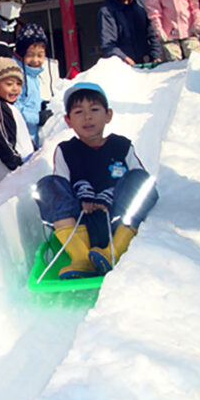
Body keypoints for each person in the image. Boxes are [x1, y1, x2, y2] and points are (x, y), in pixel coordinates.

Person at [34, 82, 158, 279]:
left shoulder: (121, 146)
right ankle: (80, 257)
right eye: (78, 112)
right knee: (47, 186)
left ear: (108, 115)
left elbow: (143, 185)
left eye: (94, 109)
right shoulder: (66, 151)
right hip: (79, 224)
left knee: (142, 181)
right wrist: (80, 203)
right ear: (68, 120)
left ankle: (113, 252)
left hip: (117, 221)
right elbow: (60, 188)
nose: (87, 117)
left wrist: (112, 202)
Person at [0, 57, 34, 186]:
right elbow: (2, 140)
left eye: (18, 84)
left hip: (13, 174)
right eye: (9, 84)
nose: (15, 88)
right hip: (8, 175)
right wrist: (17, 165)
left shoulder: (6, 106)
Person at [98, 0, 162, 65]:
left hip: (148, 62)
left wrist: (156, 56)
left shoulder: (141, 2)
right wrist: (124, 58)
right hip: (124, 67)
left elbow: (153, 32)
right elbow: (107, 45)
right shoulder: (107, 11)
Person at [13, 23, 59, 148]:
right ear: (20, 54)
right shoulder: (16, 77)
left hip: (33, 138)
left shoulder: (33, 75)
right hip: (21, 138)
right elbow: (14, 109)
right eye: (30, 55)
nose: (35, 60)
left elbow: (29, 101)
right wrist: (37, 117)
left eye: (40, 55)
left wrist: (42, 104)